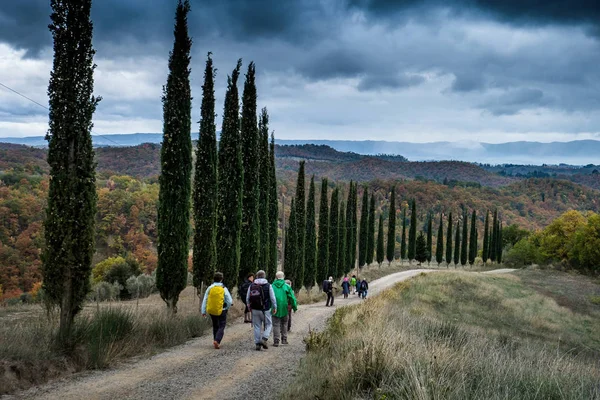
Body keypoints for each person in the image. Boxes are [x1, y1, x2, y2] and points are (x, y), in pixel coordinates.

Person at [201, 272, 233, 349]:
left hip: (212, 310)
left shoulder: (210, 288)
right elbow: (229, 301)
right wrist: (226, 307)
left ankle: (215, 340)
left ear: (213, 279)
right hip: (222, 310)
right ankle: (217, 340)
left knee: (215, 325)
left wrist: (203, 311)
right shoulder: (223, 288)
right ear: (221, 279)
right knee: (222, 325)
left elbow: (205, 299)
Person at [246, 270, 277, 351]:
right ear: (264, 276)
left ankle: (257, 344)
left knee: (257, 326)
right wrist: (275, 307)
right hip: (265, 309)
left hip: (255, 309)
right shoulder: (268, 285)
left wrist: (249, 307)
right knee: (269, 324)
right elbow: (272, 298)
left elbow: (247, 298)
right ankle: (264, 339)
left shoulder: (252, 285)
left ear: (257, 276)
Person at [272, 271, 298, 347]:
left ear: (276, 277)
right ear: (283, 277)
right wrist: (294, 307)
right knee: (284, 323)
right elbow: (292, 298)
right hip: (284, 307)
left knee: (276, 324)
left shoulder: (272, 286)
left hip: (275, 307)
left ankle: (276, 341)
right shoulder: (287, 286)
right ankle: (284, 339)